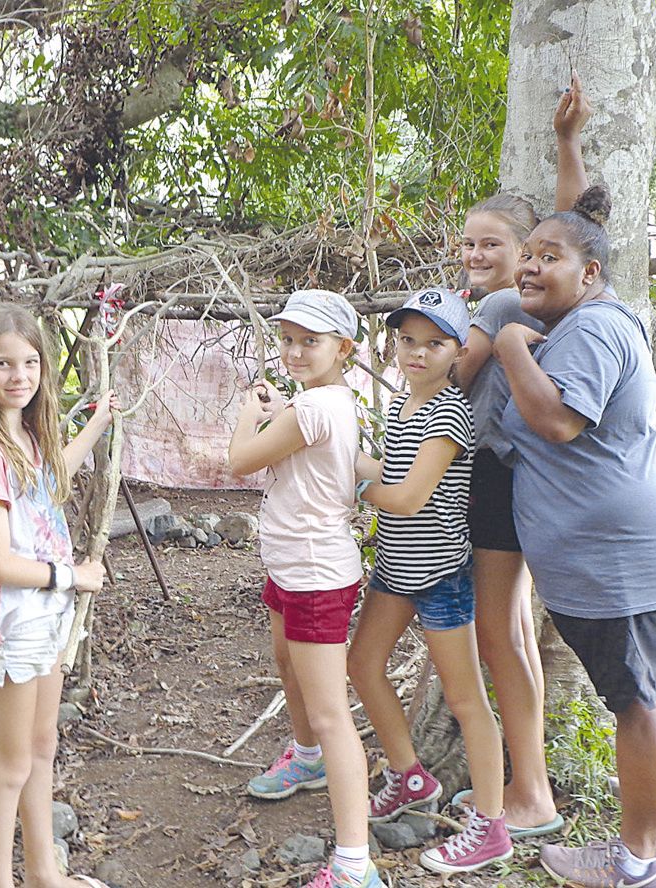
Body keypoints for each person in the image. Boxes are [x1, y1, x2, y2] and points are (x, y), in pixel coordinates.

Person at [492, 186, 656, 888]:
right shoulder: (590, 319)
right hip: (634, 554)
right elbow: (577, 221)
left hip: (621, 562)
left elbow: (556, 420)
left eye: (545, 258)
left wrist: (503, 344)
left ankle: (636, 864)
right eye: (523, 255)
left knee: (637, 703)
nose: (527, 267)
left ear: (589, 274)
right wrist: (567, 143)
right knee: (652, 685)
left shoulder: (589, 328)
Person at [444, 75, 593, 837]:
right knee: (508, 632)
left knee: (498, 633)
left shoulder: (501, 307)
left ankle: (528, 793)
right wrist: (565, 142)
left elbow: (449, 379)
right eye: (467, 243)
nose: (476, 254)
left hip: (494, 479)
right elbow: (574, 218)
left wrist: (429, 345)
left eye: (492, 246)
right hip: (509, 478)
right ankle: (525, 784)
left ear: (526, 256)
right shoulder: (515, 304)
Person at [347, 287, 511, 874]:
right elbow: (387, 470)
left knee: (467, 700)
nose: (416, 353)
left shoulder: (448, 413)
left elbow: (409, 498)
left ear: (458, 350)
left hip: (439, 572)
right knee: (362, 663)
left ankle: (491, 825)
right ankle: (409, 777)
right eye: (407, 340)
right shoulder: (402, 405)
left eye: (433, 343)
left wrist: (354, 490)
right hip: (395, 567)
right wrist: (337, 457)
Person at [0, 303, 114, 888]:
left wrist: (96, 425)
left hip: (45, 613)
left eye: (29, 363)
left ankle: (46, 875)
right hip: (15, 617)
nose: (19, 376)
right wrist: (72, 577)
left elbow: (50, 488)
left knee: (41, 746)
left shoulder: (23, 434)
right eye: (3, 364)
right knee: (9, 764)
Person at [228, 290, 381, 888]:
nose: (294, 350)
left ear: (344, 347)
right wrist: (280, 407)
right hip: (291, 563)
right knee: (287, 665)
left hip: (316, 572)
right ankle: (306, 758)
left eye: (309, 341)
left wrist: (251, 411)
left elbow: (240, 461)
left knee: (330, 712)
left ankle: (353, 863)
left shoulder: (313, 409)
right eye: (288, 339)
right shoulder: (328, 402)